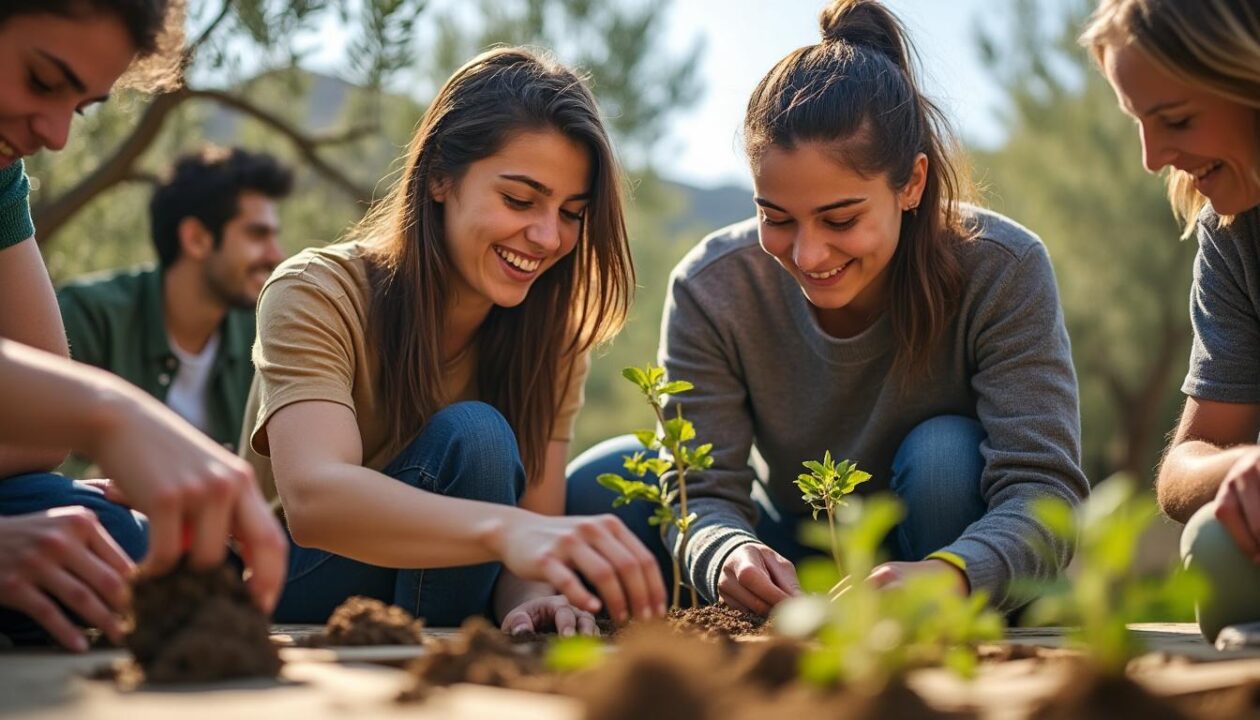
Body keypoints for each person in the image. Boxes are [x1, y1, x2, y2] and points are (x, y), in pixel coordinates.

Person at [568, 0, 1089, 616]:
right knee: (609, 478)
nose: (809, 254)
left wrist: (950, 575)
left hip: (948, 563)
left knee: (945, 454)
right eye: (776, 218)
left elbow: (1043, 492)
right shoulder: (713, 288)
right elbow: (701, 491)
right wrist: (726, 552)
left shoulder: (1001, 267)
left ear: (912, 184)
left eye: (841, 219)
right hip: (795, 558)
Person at [244, 46, 665, 635]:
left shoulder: (554, 339)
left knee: (560, 454)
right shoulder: (315, 289)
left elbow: (531, 532)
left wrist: (532, 598)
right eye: (519, 200)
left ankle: (443, 669)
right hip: (298, 577)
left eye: (572, 212)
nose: (547, 236)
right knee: (479, 437)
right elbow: (315, 503)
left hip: (449, 589)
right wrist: (506, 531)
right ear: (440, 176)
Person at [0, 0, 285, 652]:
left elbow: (34, 438)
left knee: (107, 534)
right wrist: (110, 413)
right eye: (42, 80)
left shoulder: (0, 171)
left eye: (80, 108)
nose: (55, 135)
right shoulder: (102, 311)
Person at [1082, 0, 1260, 641]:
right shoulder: (1233, 235)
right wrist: (1244, 469)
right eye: (1139, 124)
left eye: (1176, 119)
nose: (1152, 159)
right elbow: (1183, 465)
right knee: (1217, 552)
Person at [58, 146, 293, 454]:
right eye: (257, 235)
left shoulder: (264, 338)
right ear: (196, 238)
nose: (277, 255)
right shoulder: (87, 317)